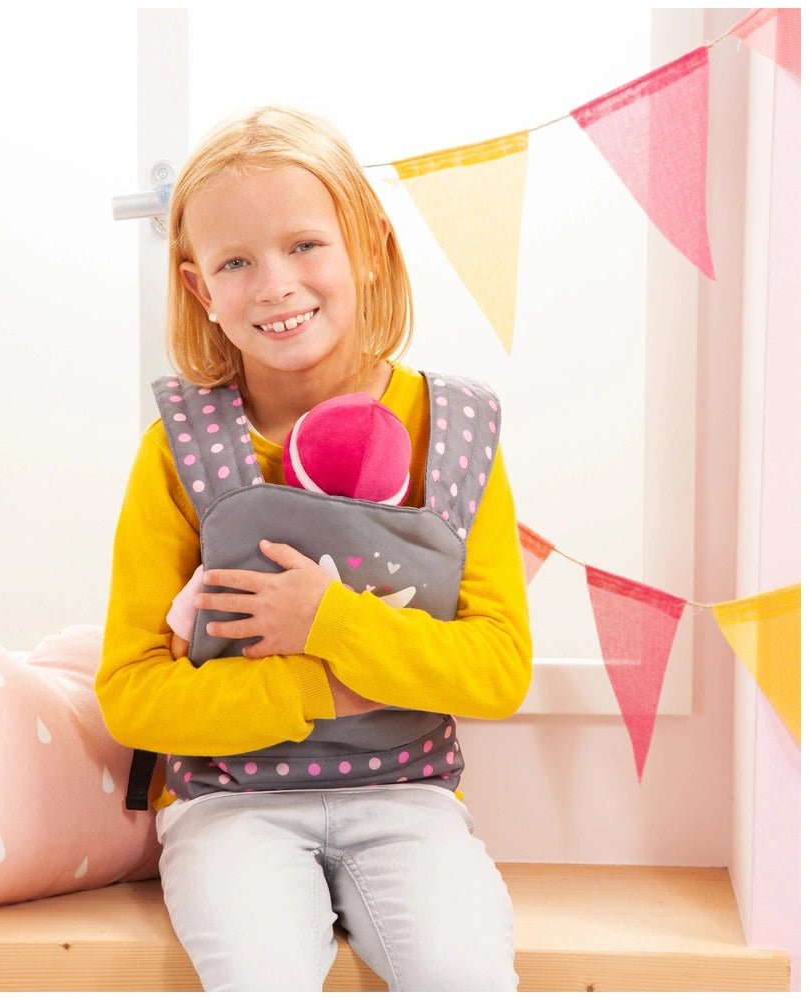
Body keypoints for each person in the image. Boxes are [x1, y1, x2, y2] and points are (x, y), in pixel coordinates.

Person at [96, 105, 533, 992]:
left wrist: (328, 620)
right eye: (235, 263)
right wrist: (308, 684)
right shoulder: (177, 448)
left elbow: (497, 669)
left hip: (408, 802)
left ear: (369, 247)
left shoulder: (453, 430)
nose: (274, 285)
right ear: (198, 290)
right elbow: (132, 693)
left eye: (304, 245)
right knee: (259, 978)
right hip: (230, 807)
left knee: (464, 974)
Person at [168, 391, 415, 660]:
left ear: (291, 465)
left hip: (255, 692)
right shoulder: (407, 561)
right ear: (399, 497)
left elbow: (181, 648)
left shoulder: (250, 543)